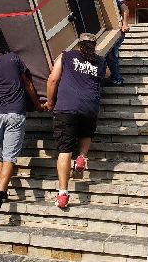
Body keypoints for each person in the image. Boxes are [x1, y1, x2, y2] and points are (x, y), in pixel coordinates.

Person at [0, 42, 44, 226]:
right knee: (9, 158)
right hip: (15, 113)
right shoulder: (12, 58)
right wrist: (37, 105)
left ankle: (1, 191)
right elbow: (27, 82)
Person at [45, 33, 106, 209]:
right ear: (94, 45)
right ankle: (81, 157)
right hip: (90, 107)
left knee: (65, 150)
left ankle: (63, 194)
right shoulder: (101, 62)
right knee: (87, 133)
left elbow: (53, 79)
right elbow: (107, 74)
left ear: (79, 44)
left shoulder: (66, 56)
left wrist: (50, 102)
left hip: (67, 107)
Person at [105, 0, 130, 86]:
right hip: (106, 34)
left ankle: (117, 78)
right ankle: (112, 75)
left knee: (110, 54)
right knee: (110, 54)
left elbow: (125, 8)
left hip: (117, 32)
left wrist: (125, 24)